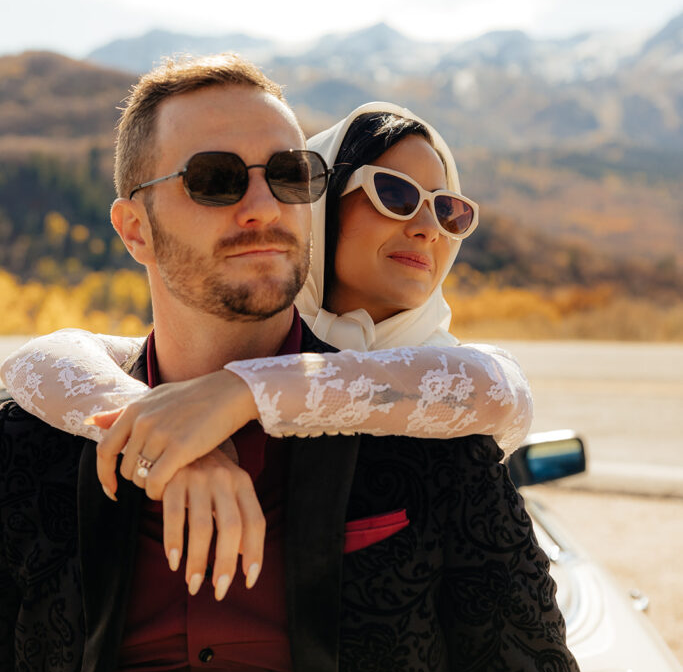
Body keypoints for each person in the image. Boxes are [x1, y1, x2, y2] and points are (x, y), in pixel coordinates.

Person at [0, 54, 601, 672]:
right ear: (134, 230)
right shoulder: (36, 435)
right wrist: (166, 442)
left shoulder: (427, 438)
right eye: (214, 180)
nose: (262, 206)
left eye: (289, 176)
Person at [2, 101, 532, 594]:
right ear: (318, 208)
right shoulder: (244, 328)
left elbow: (503, 392)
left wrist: (242, 393)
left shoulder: (449, 382)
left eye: (449, 211)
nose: (427, 229)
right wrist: (164, 435)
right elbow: (42, 359)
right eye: (395, 195)